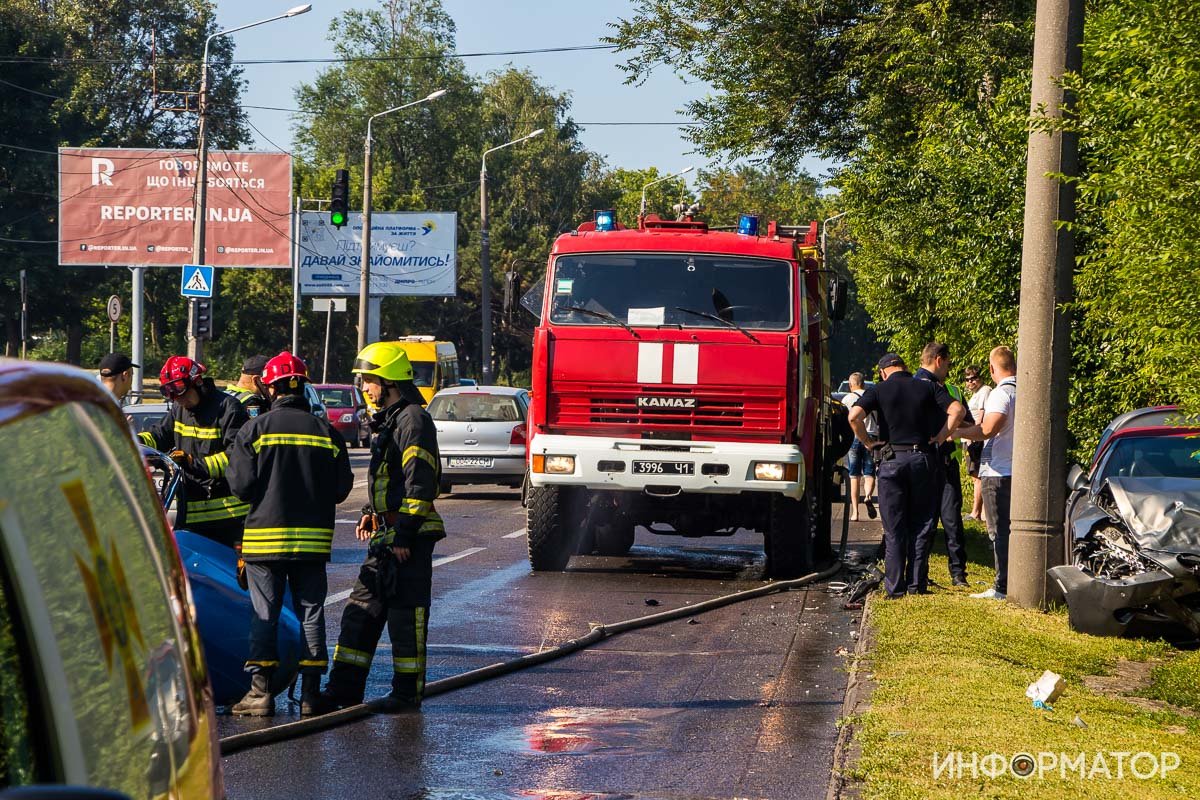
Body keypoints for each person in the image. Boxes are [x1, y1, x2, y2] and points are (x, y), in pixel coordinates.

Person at [224, 351, 353, 716]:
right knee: (311, 614)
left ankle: (260, 693)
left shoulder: (255, 430)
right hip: (312, 543)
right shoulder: (327, 432)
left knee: (264, 613)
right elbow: (341, 489)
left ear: (271, 388)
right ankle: (311, 694)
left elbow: (241, 488)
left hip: (264, 542)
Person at [318, 342, 445, 712]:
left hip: (409, 538)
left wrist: (404, 533)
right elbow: (388, 481)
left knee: (406, 617)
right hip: (387, 534)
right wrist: (370, 512)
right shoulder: (392, 420)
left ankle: (406, 694)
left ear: (388, 381)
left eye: (368, 381)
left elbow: (420, 483)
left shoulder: (413, 420)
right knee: (361, 610)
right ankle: (343, 690)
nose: (364, 388)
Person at [847, 353, 965, 598]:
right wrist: (941, 437)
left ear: (883, 372)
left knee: (894, 528)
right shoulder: (928, 387)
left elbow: (853, 416)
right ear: (905, 367)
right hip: (922, 459)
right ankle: (916, 585)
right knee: (922, 525)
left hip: (891, 461)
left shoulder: (878, 390)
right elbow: (958, 410)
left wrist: (868, 442)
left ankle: (894, 587)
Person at [137, 356, 250, 548]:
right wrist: (134, 442)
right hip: (190, 516)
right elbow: (159, 435)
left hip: (227, 519)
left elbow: (237, 458)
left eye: (180, 391)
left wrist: (193, 464)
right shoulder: (179, 409)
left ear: (197, 382)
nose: (179, 399)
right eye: (170, 393)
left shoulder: (228, 408)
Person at [957, 346, 1017, 601]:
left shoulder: (1000, 393)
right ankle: (1012, 581)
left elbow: (988, 428)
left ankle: (1002, 587)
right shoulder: (1023, 390)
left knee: (998, 530)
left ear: (992, 369)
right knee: (1010, 530)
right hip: (1014, 469)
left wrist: (956, 433)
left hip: (998, 471)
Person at [912, 342, 973, 588]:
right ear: (939, 360)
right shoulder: (916, 386)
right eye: (947, 363)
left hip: (946, 462)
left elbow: (968, 421)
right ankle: (920, 573)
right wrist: (941, 434)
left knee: (951, 521)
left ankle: (958, 574)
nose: (948, 369)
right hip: (925, 460)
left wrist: (950, 429)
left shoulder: (951, 390)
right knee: (924, 520)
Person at [841, 372, 877, 522]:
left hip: (854, 437)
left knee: (854, 475)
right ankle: (868, 496)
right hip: (871, 436)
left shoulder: (847, 399)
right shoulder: (873, 397)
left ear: (851, 385)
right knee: (870, 472)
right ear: (864, 383)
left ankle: (855, 512)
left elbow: (844, 420)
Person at [963, 366, 992, 523]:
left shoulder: (985, 391)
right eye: (967, 379)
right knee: (975, 475)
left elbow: (981, 415)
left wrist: (973, 436)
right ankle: (980, 512)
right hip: (969, 438)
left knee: (977, 476)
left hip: (975, 439)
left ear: (980, 377)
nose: (970, 382)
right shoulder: (975, 394)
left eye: (973, 378)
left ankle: (976, 512)